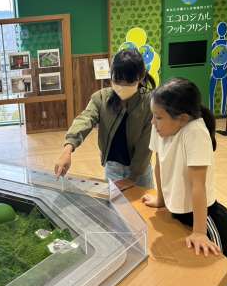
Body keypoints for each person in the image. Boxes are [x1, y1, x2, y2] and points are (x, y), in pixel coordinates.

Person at [143, 77, 227, 286]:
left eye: (159, 117)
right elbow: (158, 164)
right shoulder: (162, 127)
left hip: (207, 220)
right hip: (181, 215)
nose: (153, 122)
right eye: (153, 116)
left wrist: (199, 232)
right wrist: (162, 199)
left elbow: (198, 186)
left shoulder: (195, 132)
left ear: (183, 118)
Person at [54, 49, 155, 189]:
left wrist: (132, 178)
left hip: (141, 171)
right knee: (114, 203)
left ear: (141, 77)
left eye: (129, 82)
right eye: (118, 80)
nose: (122, 86)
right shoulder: (101, 98)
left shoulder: (149, 103)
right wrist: (68, 148)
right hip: (113, 168)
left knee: (142, 203)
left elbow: (145, 146)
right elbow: (85, 119)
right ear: (111, 75)